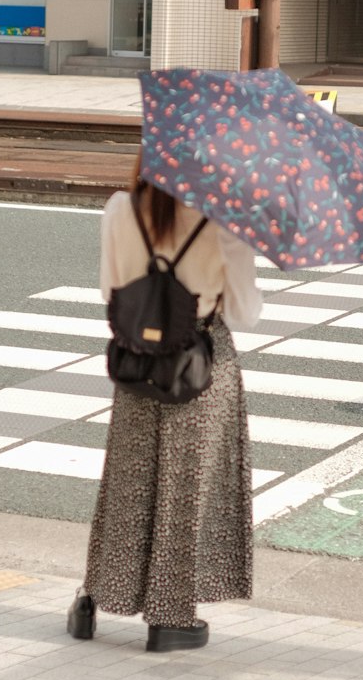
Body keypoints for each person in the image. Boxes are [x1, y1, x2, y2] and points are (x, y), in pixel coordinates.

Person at [68, 164, 262, 653]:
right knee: (186, 492)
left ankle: (95, 596)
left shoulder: (120, 210)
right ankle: (170, 616)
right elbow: (244, 313)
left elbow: (110, 294)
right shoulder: (223, 222)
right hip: (198, 365)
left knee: (128, 488)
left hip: (137, 363)